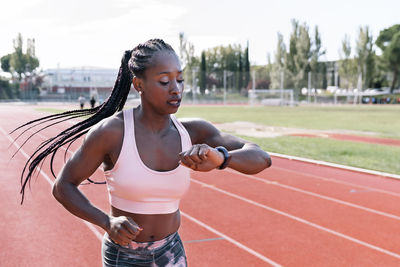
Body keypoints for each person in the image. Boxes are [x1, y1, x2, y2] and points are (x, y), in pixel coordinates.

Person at [15, 39, 271, 267]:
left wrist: (222, 158)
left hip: (171, 253)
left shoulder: (194, 132)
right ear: (139, 84)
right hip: (123, 257)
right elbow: (63, 186)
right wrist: (106, 222)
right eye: (164, 81)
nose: (176, 89)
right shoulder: (112, 132)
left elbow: (261, 157)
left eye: (180, 79)